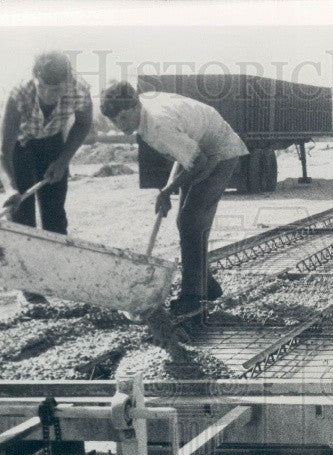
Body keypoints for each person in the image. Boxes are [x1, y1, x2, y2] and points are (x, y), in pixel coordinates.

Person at [99, 81, 249, 317]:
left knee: (192, 221)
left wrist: (168, 190)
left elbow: (198, 162)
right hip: (200, 145)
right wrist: (169, 189)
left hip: (219, 152)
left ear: (133, 107)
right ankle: (207, 286)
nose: (120, 126)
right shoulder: (144, 106)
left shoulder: (158, 125)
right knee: (186, 222)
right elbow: (188, 150)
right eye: (115, 121)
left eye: (122, 119)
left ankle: (194, 297)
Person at [0, 51, 94, 304]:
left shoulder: (79, 90)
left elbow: (83, 124)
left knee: (54, 212)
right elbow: (1, 151)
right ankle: (28, 287)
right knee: (23, 213)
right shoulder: (19, 95)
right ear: (34, 78)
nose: (49, 95)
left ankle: (57, 278)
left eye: (56, 89)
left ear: (68, 82)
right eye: (43, 88)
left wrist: (63, 160)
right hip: (19, 141)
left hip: (51, 138)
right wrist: (9, 189)